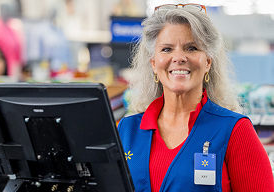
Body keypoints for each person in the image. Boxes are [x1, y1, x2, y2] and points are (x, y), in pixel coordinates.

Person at [117, 4, 274, 192]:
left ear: (208, 62)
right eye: (167, 49)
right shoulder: (127, 130)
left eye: (191, 48)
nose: (179, 57)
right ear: (153, 63)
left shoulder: (235, 130)